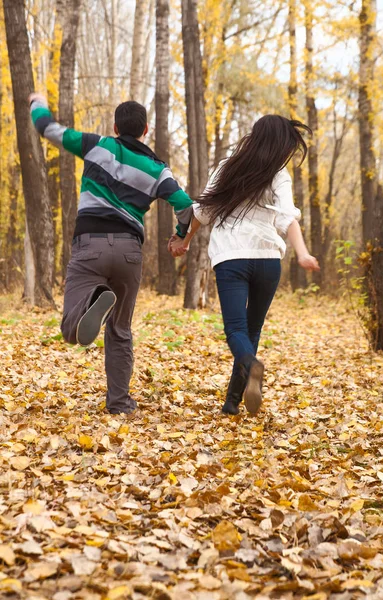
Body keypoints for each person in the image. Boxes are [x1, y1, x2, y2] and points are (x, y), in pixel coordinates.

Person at [29, 93, 193, 416]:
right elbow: (186, 207)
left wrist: (38, 103)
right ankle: (119, 402)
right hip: (129, 253)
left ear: (116, 127)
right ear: (146, 129)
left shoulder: (98, 145)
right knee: (120, 329)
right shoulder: (158, 169)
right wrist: (180, 237)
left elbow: (48, 129)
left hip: (90, 246)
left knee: (70, 329)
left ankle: (92, 301)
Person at [170, 115, 320, 416]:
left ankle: (251, 367)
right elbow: (287, 217)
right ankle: (231, 403)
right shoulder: (278, 174)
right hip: (268, 260)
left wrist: (184, 240)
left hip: (232, 256)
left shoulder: (228, 166)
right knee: (252, 330)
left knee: (236, 329)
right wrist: (302, 253)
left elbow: (205, 210)